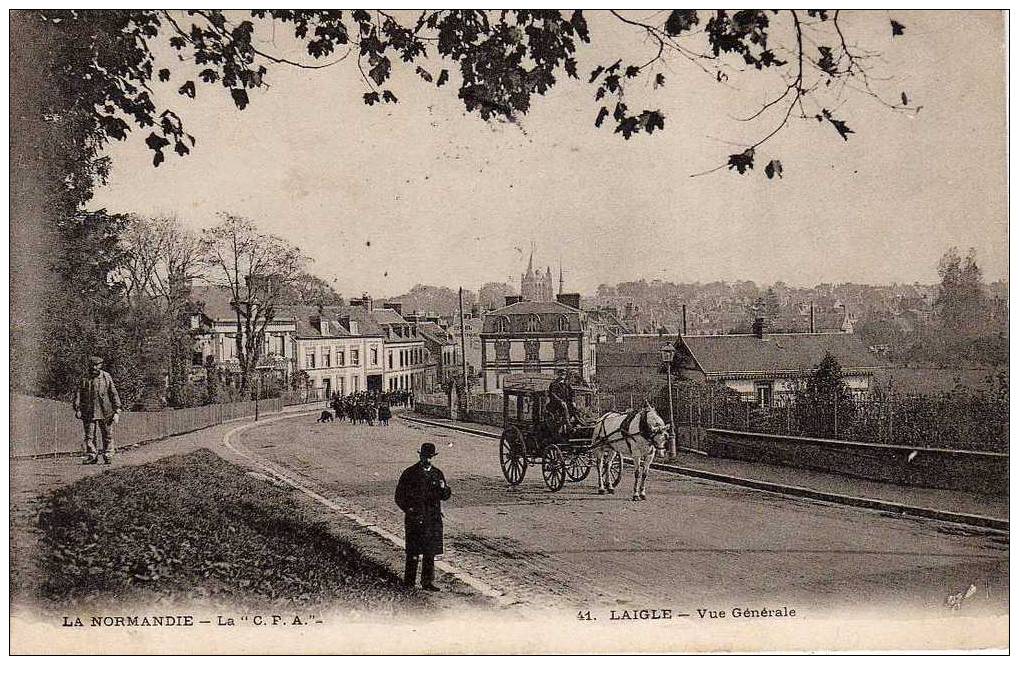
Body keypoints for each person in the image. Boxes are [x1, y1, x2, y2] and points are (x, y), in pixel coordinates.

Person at [394, 442, 452, 591]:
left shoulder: (437, 473)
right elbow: (399, 496)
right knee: (413, 551)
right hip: (415, 518)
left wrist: (444, 488)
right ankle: (409, 582)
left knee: (429, 552)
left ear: (433, 457)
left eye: (430, 457)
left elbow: (445, 496)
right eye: (425, 457)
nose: (427, 460)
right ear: (420, 456)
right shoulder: (410, 473)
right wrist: (411, 510)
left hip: (432, 518)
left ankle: (427, 582)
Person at [73, 356, 122, 465]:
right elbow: (78, 394)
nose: (95, 368)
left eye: (97, 365)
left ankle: (108, 455)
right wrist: (78, 408)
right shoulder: (85, 378)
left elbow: (113, 393)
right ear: (90, 366)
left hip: (106, 411)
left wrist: (117, 408)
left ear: (101, 366)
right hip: (89, 411)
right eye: (93, 365)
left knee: (107, 435)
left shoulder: (106, 377)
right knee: (89, 435)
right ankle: (92, 456)